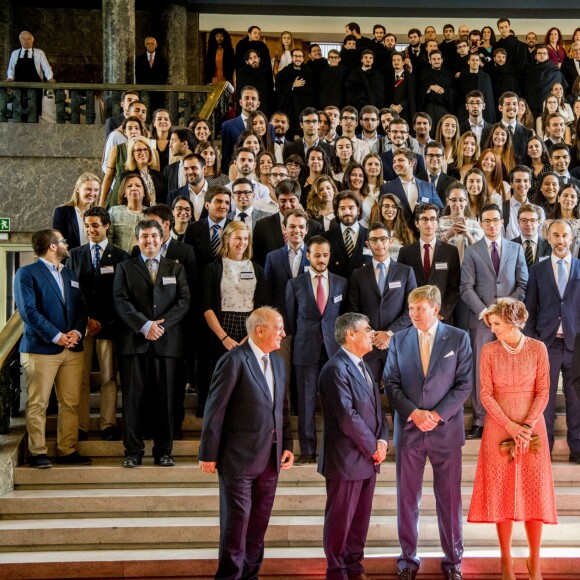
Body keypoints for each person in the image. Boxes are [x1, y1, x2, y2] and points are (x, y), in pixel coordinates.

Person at [198, 307, 294, 579]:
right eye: (279, 328)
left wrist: (287, 444)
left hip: (271, 460)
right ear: (260, 330)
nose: (283, 334)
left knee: (258, 527)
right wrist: (208, 453)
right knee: (236, 526)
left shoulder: (277, 362)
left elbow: (282, 408)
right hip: (238, 460)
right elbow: (215, 409)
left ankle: (251, 575)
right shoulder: (234, 360)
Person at [384, 285, 472, 580]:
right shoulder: (398, 340)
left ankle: (453, 561)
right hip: (409, 431)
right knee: (407, 499)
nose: (413, 314)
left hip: (445, 432)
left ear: (436, 309)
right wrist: (413, 413)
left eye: (420, 308)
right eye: (410, 309)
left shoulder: (458, 338)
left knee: (449, 500)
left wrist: (435, 415)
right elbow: (391, 384)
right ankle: (407, 561)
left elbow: (464, 384)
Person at [468, 298, 556, 580]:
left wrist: (527, 426)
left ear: (512, 321)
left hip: (533, 429)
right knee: (501, 494)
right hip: (498, 428)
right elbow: (485, 394)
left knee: (534, 494)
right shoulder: (489, 351)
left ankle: (535, 561)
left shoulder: (538, 349)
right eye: (490, 324)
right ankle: (506, 561)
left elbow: (543, 391)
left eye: (496, 324)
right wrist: (510, 426)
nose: (492, 329)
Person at [113, 219, 190, 468]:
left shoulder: (175, 269)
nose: (150, 241)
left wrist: (160, 326)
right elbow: (121, 301)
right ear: (137, 240)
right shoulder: (124, 268)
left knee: (166, 400)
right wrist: (145, 326)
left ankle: (163, 451)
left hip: (167, 344)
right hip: (134, 343)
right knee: (133, 400)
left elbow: (184, 301)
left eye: (154, 236)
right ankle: (132, 451)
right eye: (144, 236)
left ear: (162, 238)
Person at [318, 312, 388, 580]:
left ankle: (354, 566)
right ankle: (337, 571)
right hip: (346, 460)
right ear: (350, 334)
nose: (372, 333)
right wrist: (373, 446)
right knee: (340, 520)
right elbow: (347, 416)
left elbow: (376, 411)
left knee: (359, 521)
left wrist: (382, 440)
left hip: (369, 458)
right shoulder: (335, 369)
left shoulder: (364, 365)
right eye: (367, 329)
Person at [14, 229, 89, 468]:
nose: (67, 244)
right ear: (53, 246)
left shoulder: (70, 274)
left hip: (72, 348)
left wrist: (76, 332)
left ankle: (67, 449)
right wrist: (57, 336)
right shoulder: (26, 274)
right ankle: (37, 452)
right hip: (41, 348)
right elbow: (28, 312)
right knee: (38, 404)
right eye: (63, 241)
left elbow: (81, 307)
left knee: (70, 402)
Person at [460, 204, 528, 439]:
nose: (491, 224)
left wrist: (506, 312)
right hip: (481, 321)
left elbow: (522, 284)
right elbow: (466, 288)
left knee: (510, 369)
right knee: (482, 370)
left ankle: (510, 416)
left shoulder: (516, 249)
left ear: (502, 222)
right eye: (486, 221)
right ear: (480, 223)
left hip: (510, 322)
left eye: (495, 220)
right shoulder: (472, 251)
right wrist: (487, 312)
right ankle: (480, 419)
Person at [66, 207, 129, 441]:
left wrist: (103, 322)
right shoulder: (74, 255)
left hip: (109, 327)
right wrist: (84, 321)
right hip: (80, 327)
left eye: (95, 225)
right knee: (80, 378)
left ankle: (107, 424)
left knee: (108, 377)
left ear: (106, 226)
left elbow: (121, 295)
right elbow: (71, 292)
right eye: (88, 225)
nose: (91, 230)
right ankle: (81, 425)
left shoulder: (121, 256)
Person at [286, 236, 348, 464]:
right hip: (306, 350)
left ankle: (334, 449)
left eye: (325, 255)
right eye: (317, 255)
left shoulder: (341, 282)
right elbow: (290, 321)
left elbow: (344, 317)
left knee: (336, 402)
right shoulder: (295, 284)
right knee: (306, 402)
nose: (321, 260)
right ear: (308, 255)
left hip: (334, 351)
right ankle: (308, 450)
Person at [524, 219, 580, 460]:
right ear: (548, 238)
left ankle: (577, 447)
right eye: (555, 235)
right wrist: (533, 342)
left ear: (572, 238)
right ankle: (544, 448)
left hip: (575, 345)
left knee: (576, 399)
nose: (560, 240)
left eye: (564, 235)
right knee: (544, 400)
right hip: (546, 344)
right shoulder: (538, 270)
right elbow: (530, 309)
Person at [348, 222, 416, 383]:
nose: (379, 244)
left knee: (398, 394)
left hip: (397, 343)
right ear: (368, 244)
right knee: (367, 393)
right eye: (374, 240)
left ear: (390, 241)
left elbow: (411, 310)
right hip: (368, 343)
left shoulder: (405, 271)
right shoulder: (358, 274)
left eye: (383, 239)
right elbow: (353, 310)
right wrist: (371, 334)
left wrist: (389, 333)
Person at [202, 220, 270, 376]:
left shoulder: (257, 269)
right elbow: (206, 307)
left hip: (249, 327)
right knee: (221, 376)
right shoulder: (213, 268)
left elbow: (262, 307)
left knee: (247, 377)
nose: (242, 242)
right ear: (226, 239)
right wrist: (223, 337)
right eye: (238, 238)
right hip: (221, 328)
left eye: (246, 238)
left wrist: (251, 336)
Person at [398, 204, 460, 323]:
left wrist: (441, 313)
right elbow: (403, 288)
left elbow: (454, 287)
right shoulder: (405, 252)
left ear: (437, 222)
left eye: (433, 219)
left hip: (441, 318)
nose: (429, 223)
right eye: (424, 219)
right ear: (417, 223)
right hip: (414, 318)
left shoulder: (450, 251)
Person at [252, 179, 323, 267]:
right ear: (277, 200)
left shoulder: (314, 227)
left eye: (292, 200)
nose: (288, 205)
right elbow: (256, 261)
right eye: (283, 201)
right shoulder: (262, 226)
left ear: (299, 199)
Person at [324, 190, 370, 279]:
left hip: (363, 290)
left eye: (351, 208)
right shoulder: (326, 238)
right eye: (342, 208)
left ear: (359, 210)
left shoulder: (370, 236)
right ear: (337, 212)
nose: (347, 212)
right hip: (337, 290)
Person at [481, 92, 533, 166]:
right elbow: (483, 156)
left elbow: (529, 161)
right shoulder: (487, 131)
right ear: (500, 108)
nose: (511, 107)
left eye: (514, 104)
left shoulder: (528, 133)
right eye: (508, 104)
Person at [52, 172, 100, 250]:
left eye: (96, 190)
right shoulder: (62, 212)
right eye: (88, 189)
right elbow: (58, 242)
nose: (92, 193)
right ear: (77, 189)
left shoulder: (100, 214)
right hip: (70, 260)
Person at [221, 85, 261, 173]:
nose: (250, 101)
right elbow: (225, 157)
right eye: (246, 98)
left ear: (258, 103)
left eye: (253, 99)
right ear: (240, 102)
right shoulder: (227, 126)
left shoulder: (267, 127)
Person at [107, 174, 150, 253]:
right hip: (120, 260)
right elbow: (108, 240)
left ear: (144, 192)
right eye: (129, 186)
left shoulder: (151, 213)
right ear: (124, 193)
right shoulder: (114, 212)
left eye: (138, 185)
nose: (134, 188)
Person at [369, 193, 416, 259]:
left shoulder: (407, 233)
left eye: (394, 207)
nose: (390, 210)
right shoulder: (372, 232)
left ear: (398, 210)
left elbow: (411, 257)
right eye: (386, 206)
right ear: (380, 208)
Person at [134, 37, 168, 112]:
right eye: (148, 43)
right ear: (145, 45)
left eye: (152, 43)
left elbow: (165, 74)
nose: (150, 45)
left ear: (156, 45)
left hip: (158, 91)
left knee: (157, 111)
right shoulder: (139, 59)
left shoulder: (162, 59)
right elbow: (137, 75)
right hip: (144, 91)